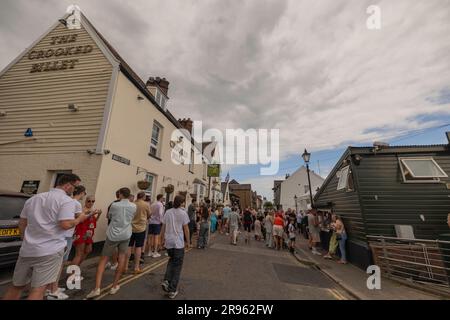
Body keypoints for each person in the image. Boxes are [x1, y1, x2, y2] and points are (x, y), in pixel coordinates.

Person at [3, 174, 87, 300]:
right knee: (38, 290)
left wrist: (25, 239)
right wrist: (80, 219)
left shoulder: (34, 198)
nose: (75, 190)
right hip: (50, 250)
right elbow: (65, 224)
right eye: (75, 186)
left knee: (16, 286)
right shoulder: (66, 201)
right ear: (68, 185)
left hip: (27, 250)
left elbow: (22, 223)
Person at [86, 188, 137, 298]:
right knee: (122, 258)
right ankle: (114, 286)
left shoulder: (114, 205)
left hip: (113, 235)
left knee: (103, 259)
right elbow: (131, 218)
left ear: (121, 194)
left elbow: (110, 216)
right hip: (126, 234)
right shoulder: (133, 206)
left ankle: (97, 288)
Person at [47, 184, 87, 300]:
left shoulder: (66, 201)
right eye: (84, 193)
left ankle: (51, 287)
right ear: (82, 193)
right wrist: (88, 214)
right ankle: (53, 290)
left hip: (60, 235)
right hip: (66, 235)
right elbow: (79, 219)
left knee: (55, 263)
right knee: (59, 263)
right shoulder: (76, 203)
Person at [160, 195, 190, 299]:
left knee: (171, 261)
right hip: (178, 243)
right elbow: (186, 229)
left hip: (169, 242)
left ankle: (166, 281)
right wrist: (188, 242)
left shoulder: (168, 212)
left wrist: (161, 240)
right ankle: (172, 290)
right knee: (177, 266)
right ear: (181, 203)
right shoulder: (183, 213)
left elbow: (163, 227)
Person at [72, 195, 102, 267]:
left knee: (88, 250)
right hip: (81, 233)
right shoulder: (83, 210)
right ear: (85, 201)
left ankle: (76, 268)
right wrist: (91, 213)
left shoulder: (91, 210)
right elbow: (80, 220)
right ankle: (72, 273)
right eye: (89, 201)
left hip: (89, 234)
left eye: (93, 201)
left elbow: (93, 222)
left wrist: (99, 214)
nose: (91, 203)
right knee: (79, 254)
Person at [125, 191, 151, 274]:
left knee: (129, 246)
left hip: (131, 227)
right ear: (143, 197)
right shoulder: (146, 204)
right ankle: (136, 267)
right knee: (138, 247)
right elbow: (149, 215)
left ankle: (125, 266)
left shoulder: (132, 204)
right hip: (141, 228)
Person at [105, 190, 121, 270]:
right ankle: (115, 262)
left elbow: (108, 216)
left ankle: (107, 261)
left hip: (111, 227)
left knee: (109, 245)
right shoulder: (121, 205)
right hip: (118, 228)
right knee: (115, 247)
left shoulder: (112, 204)